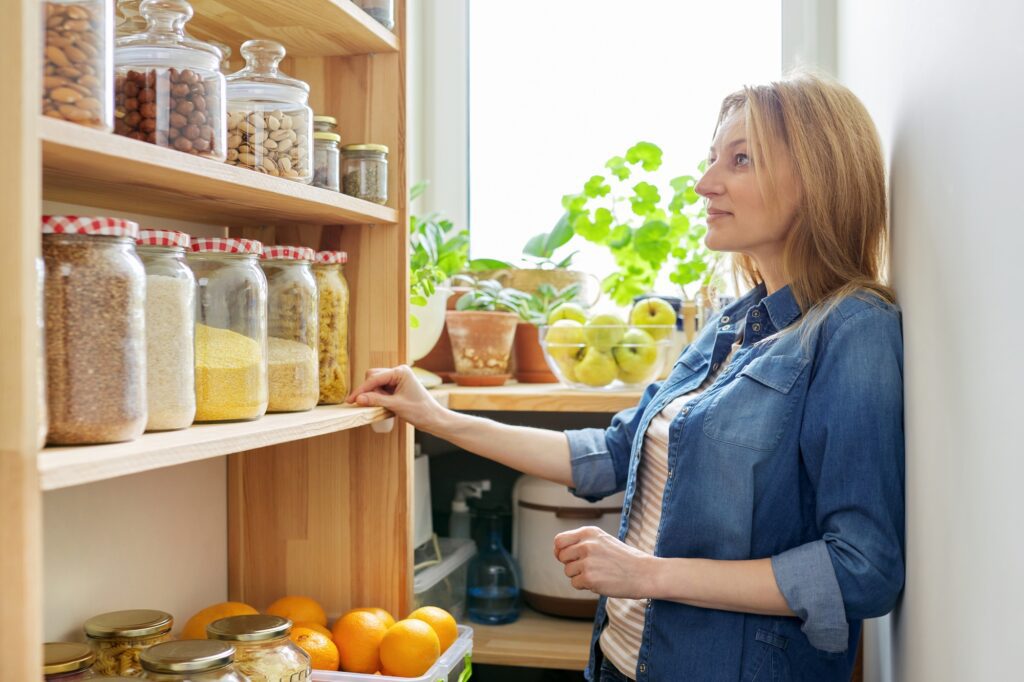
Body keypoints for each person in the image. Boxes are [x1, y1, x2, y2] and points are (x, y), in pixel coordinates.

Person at [348, 72, 904, 682]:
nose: (705, 183)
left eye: (741, 159)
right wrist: (436, 418)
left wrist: (644, 574)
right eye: (712, 158)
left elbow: (862, 570)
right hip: (619, 658)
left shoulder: (852, 329)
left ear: (818, 176)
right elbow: (613, 453)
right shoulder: (730, 325)